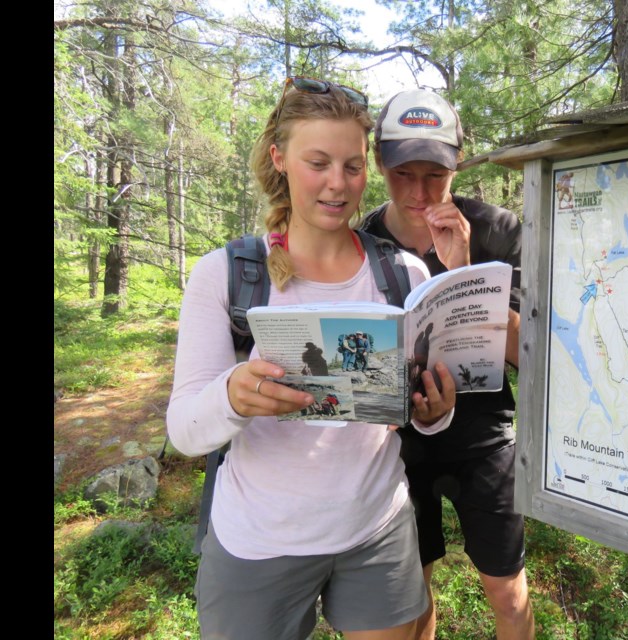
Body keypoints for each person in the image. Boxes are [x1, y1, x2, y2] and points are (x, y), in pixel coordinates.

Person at [166, 77, 458, 640]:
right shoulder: (226, 276)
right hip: (259, 540)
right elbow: (184, 429)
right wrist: (232, 395)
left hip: (377, 527)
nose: (337, 184)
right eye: (317, 162)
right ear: (279, 158)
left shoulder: (404, 275)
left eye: (352, 166)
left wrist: (432, 411)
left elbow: (424, 406)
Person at [358, 89, 533, 640]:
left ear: (457, 162)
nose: (418, 192)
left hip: (484, 435)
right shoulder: (361, 241)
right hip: (401, 440)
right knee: (413, 593)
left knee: (507, 590)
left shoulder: (497, 230)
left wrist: (467, 272)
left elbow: (530, 355)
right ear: (379, 164)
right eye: (402, 174)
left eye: (435, 174)